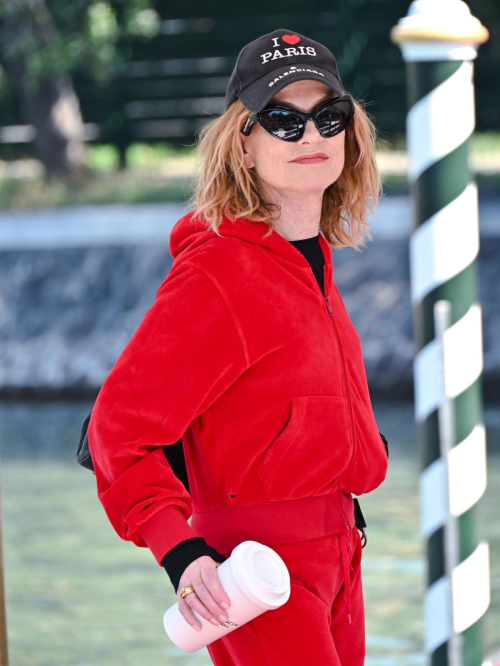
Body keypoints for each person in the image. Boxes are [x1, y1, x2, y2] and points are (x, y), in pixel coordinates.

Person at [88, 28, 389, 666]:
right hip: (255, 572)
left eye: (328, 117)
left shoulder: (314, 263)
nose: (311, 136)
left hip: (341, 552)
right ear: (243, 143)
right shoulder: (219, 271)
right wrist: (181, 551)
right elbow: (119, 428)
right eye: (282, 120)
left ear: (350, 133)